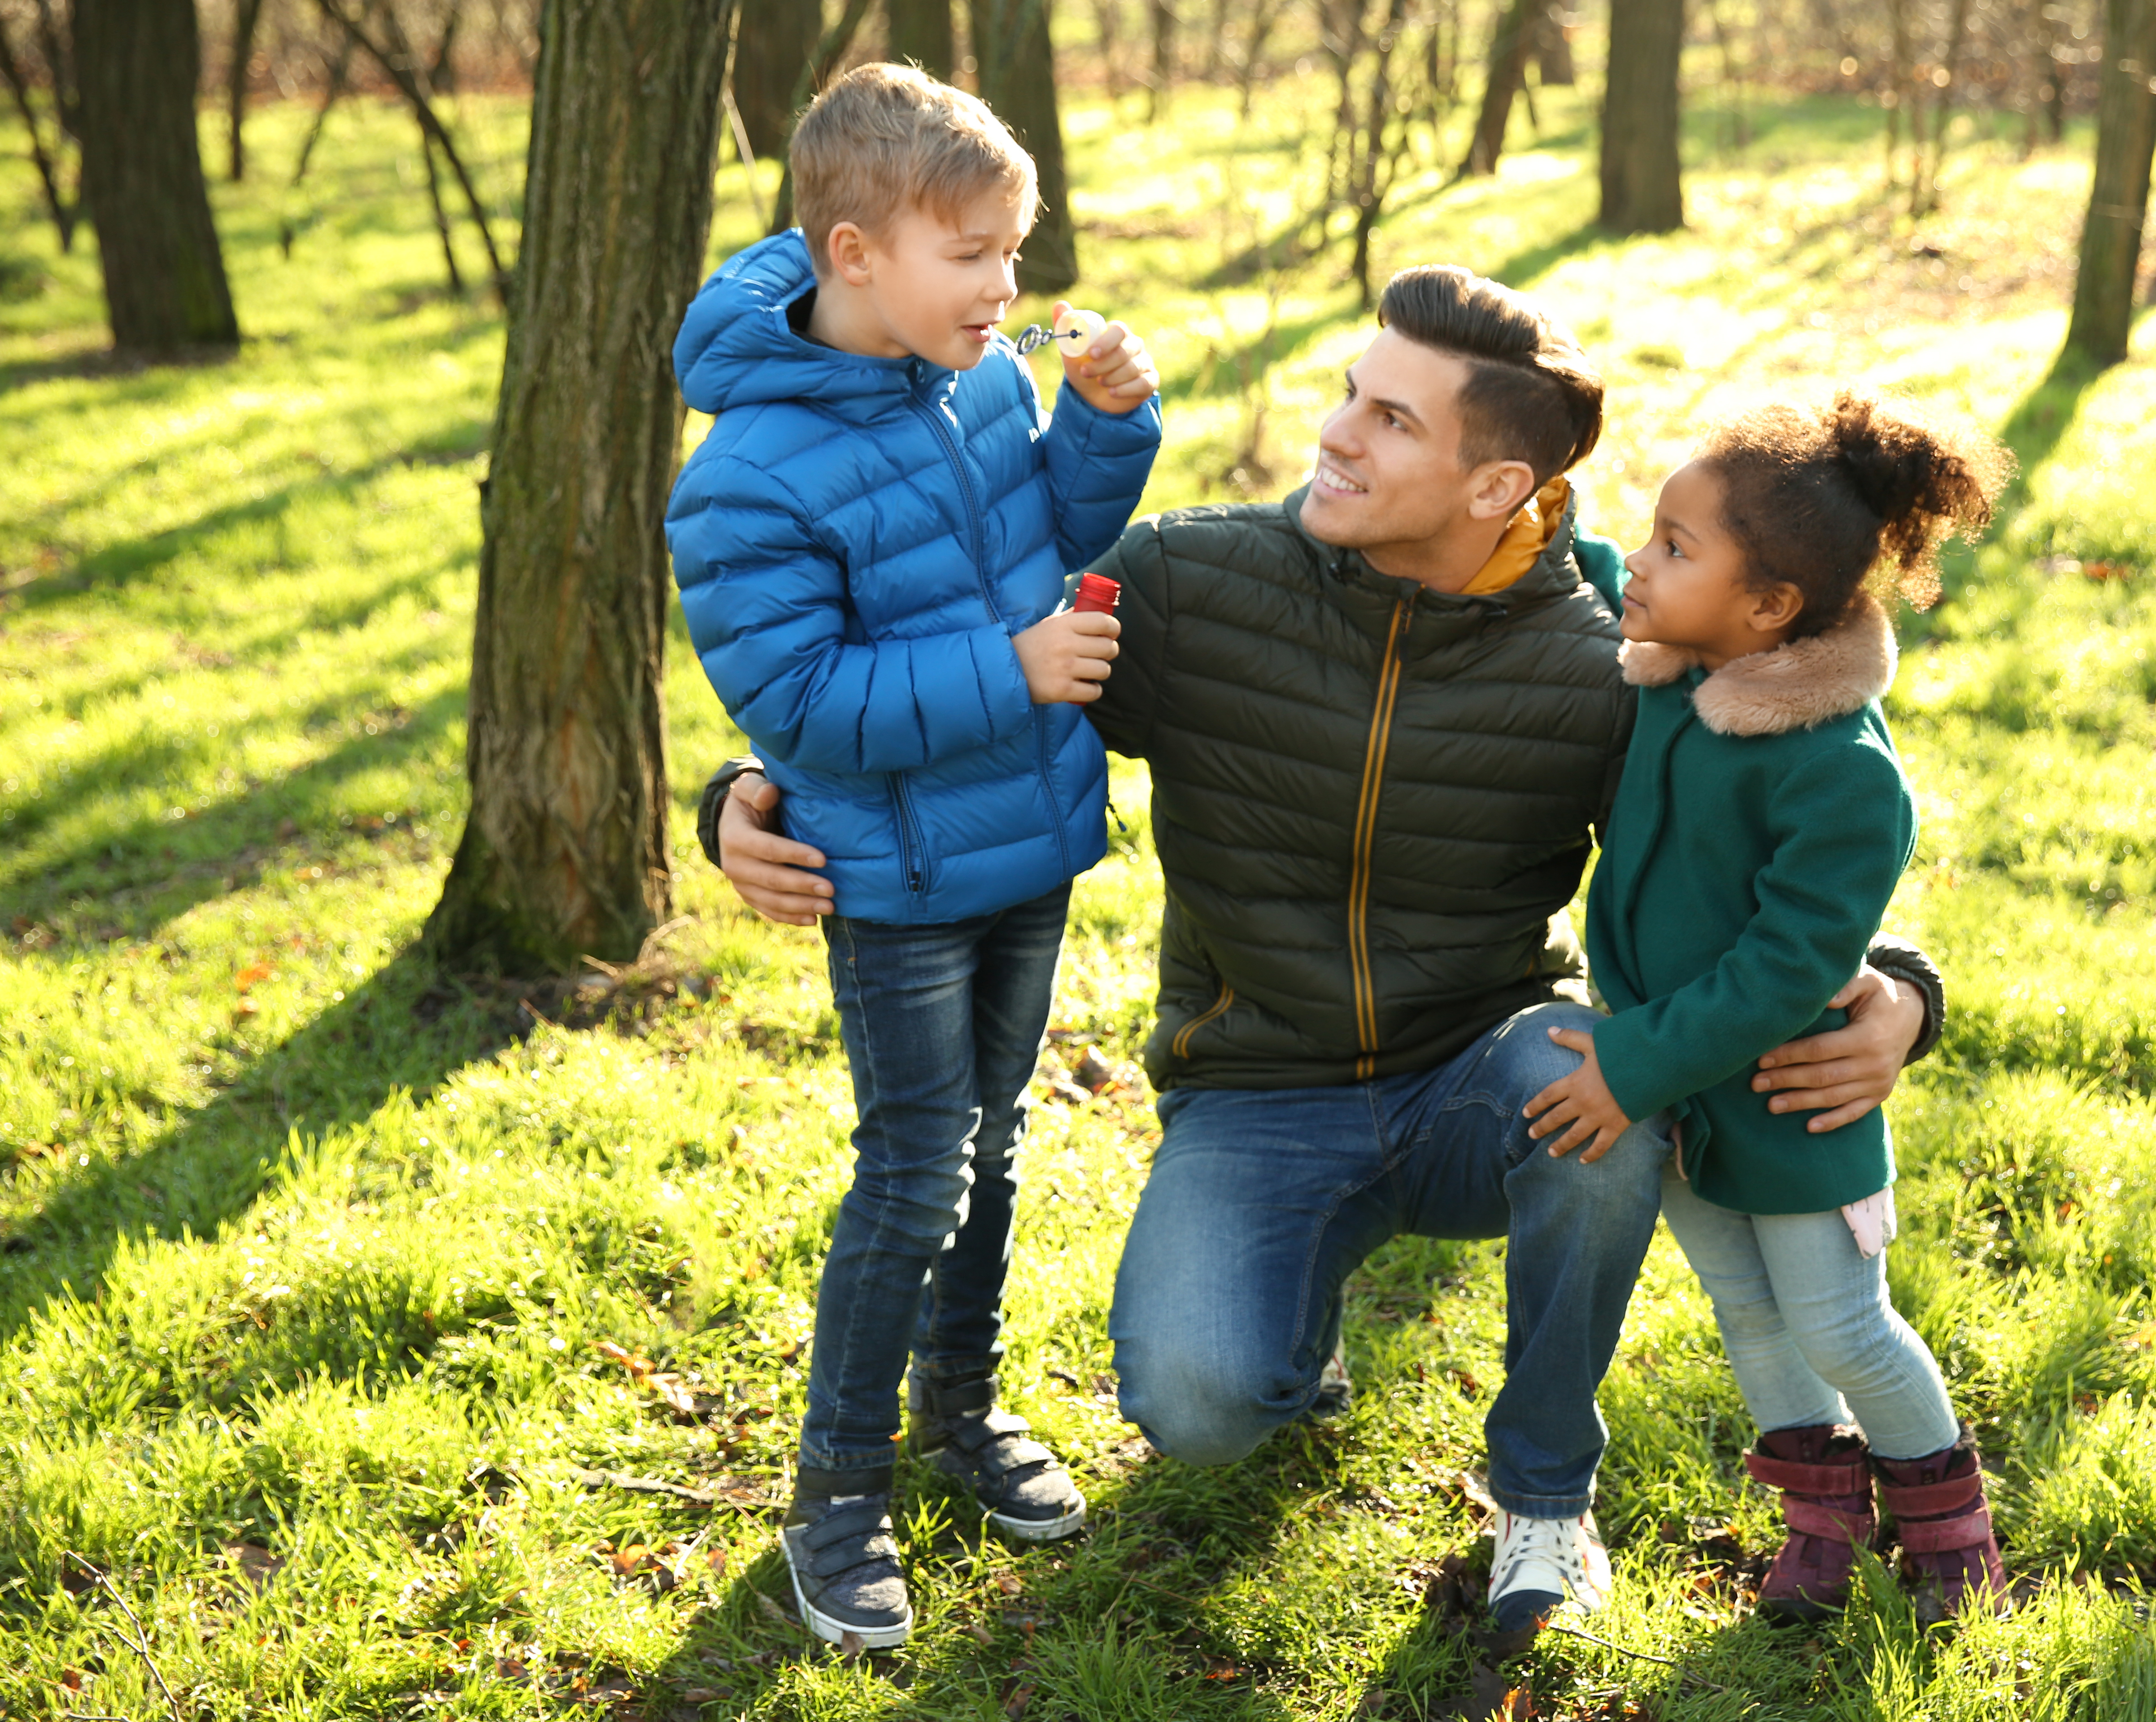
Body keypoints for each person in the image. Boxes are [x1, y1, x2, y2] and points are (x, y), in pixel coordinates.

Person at [700, 267, 1944, 1635]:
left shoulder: (1605, 651)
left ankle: (1543, 1499)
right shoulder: (1191, 582)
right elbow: (975, 669)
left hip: (1484, 1071)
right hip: (1257, 1089)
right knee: (1202, 1401)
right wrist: (745, 789)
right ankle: (1304, 1311)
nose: (1338, 433)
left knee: (1613, 1114)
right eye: (1353, 393)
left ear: (1496, 487)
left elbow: (1770, 835)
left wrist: (1904, 991)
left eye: (1394, 421)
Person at [662, 64, 1163, 1652]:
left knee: (995, 1146)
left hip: (1027, 846)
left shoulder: (981, 379)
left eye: (1017, 250)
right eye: (975, 255)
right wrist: (1014, 672)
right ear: (855, 252)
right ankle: (834, 1489)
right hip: (897, 883)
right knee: (914, 1169)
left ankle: (964, 1412)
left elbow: (1046, 542)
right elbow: (800, 701)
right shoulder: (745, 475)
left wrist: (1103, 426)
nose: (1009, 287)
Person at [1521, 389, 2012, 1623]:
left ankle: (1948, 1520)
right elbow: (1595, 578)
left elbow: (1783, 972)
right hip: (1688, 1096)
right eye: (1653, 533)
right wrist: (1551, 514)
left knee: (1842, 1324)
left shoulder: (1839, 774)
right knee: (1748, 1313)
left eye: (1677, 548)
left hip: (1794, 1100)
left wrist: (1631, 1065)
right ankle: (1822, 1514)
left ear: (1771, 609)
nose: (1644, 559)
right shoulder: (1685, 681)